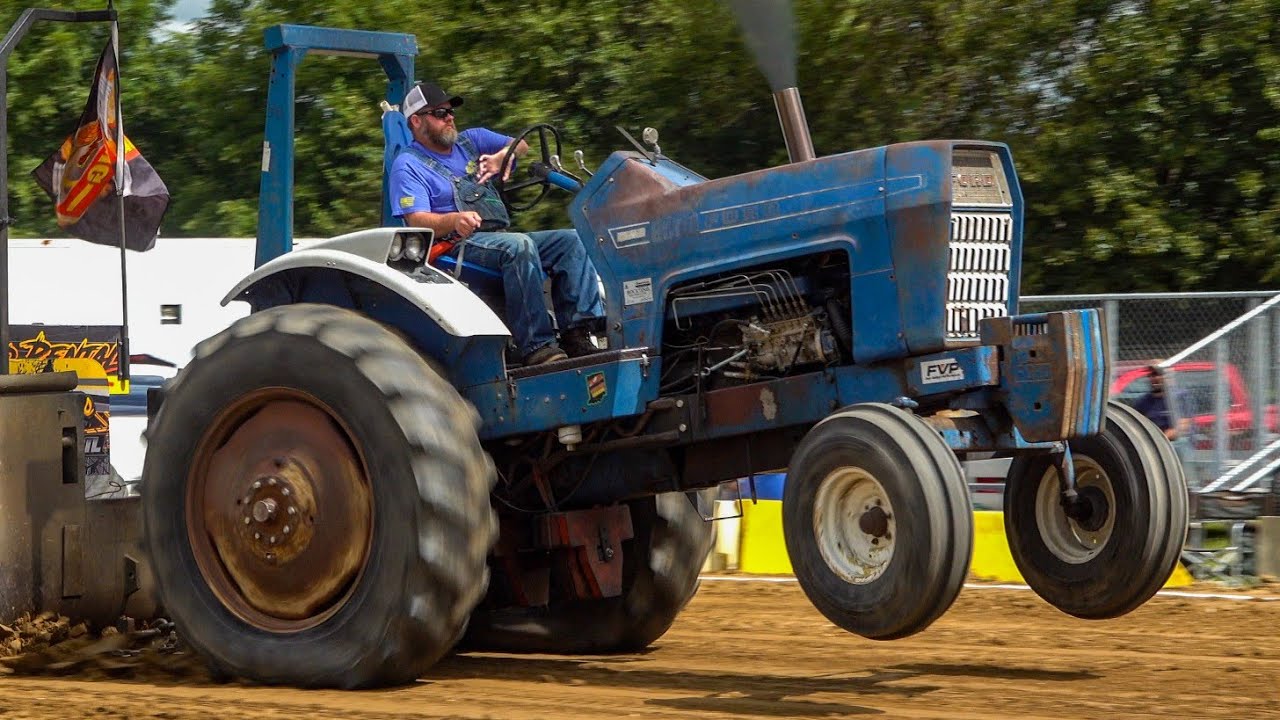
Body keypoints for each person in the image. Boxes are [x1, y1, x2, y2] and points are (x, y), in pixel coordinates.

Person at [388, 81, 605, 366]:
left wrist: (503, 157)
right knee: (519, 245)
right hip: (455, 245)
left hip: (496, 238)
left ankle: (577, 333)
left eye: (451, 111)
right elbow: (416, 219)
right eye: (440, 113)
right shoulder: (408, 165)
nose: (450, 117)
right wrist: (454, 219)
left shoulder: (472, 140)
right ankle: (538, 346)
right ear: (417, 121)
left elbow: (523, 145)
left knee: (571, 241)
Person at [1131, 364, 1185, 440]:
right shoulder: (1143, 401)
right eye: (1151, 375)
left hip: (1175, 442)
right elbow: (1135, 425)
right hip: (1153, 441)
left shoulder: (1178, 397)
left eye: (1158, 374)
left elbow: (1183, 426)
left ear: (1167, 377)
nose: (1154, 378)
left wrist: (1163, 438)